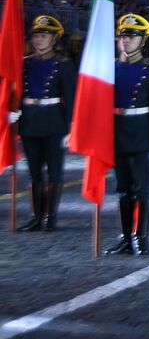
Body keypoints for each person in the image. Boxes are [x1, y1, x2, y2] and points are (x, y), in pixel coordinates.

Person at [106, 14, 149, 255]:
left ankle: (140, 237)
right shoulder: (110, 67)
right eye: (122, 36)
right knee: (123, 188)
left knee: (141, 188)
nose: (126, 41)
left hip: (141, 133)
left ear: (142, 41)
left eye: (132, 38)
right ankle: (125, 237)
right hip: (116, 133)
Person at [14, 16, 75, 232]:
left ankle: (51, 217)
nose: (38, 40)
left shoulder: (63, 65)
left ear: (54, 39)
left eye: (44, 36)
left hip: (54, 123)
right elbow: (13, 91)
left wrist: (70, 127)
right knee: (34, 171)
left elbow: (71, 98)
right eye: (36, 36)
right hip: (30, 121)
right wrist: (13, 111)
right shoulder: (24, 63)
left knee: (55, 171)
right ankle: (36, 217)